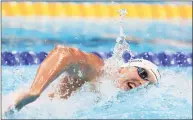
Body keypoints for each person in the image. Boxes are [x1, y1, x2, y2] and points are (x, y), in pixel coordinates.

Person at [5, 45, 161, 114]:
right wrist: (34, 92)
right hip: (25, 106)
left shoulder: (114, 97)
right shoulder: (100, 71)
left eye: (148, 84)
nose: (142, 82)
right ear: (125, 68)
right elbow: (64, 52)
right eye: (143, 73)